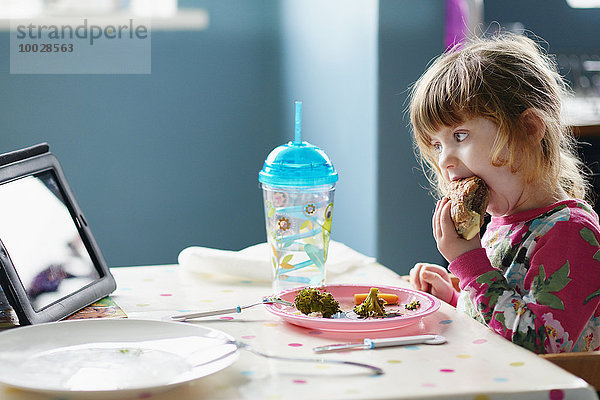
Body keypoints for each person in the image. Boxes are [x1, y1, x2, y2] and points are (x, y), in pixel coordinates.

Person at [407, 32, 600, 354]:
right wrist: (455, 298)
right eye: (436, 145)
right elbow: (505, 320)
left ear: (528, 129)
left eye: (460, 134)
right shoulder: (504, 223)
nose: (444, 160)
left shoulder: (570, 232)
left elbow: (543, 345)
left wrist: (470, 265)